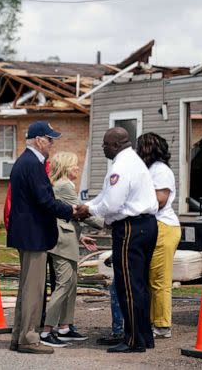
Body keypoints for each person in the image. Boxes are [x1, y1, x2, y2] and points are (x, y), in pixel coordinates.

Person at [75, 127, 158, 353]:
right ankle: (143, 336)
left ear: (115, 145)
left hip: (131, 228)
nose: (102, 148)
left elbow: (111, 205)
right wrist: (90, 205)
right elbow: (105, 197)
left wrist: (87, 211)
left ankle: (133, 340)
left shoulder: (120, 167)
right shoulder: (132, 161)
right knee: (139, 284)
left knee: (128, 285)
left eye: (104, 145)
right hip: (145, 225)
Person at [7, 121, 74, 354]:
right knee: (34, 291)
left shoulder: (25, 162)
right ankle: (29, 338)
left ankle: (19, 336)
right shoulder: (33, 164)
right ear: (38, 140)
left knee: (27, 289)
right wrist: (72, 211)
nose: (52, 143)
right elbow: (45, 201)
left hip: (27, 234)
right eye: (49, 139)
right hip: (33, 235)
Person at [40, 152, 101, 347]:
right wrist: (107, 223)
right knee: (64, 284)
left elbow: (64, 215)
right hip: (62, 243)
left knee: (71, 284)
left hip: (69, 239)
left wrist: (81, 236)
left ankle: (65, 327)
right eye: (74, 165)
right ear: (66, 167)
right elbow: (81, 212)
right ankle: (47, 331)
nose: (77, 168)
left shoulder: (61, 185)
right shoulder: (64, 186)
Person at [136, 133, 181, 339]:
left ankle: (162, 325)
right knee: (149, 277)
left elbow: (160, 200)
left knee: (159, 279)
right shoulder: (149, 169)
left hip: (164, 226)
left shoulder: (161, 170)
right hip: (153, 226)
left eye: (140, 147)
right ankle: (153, 320)